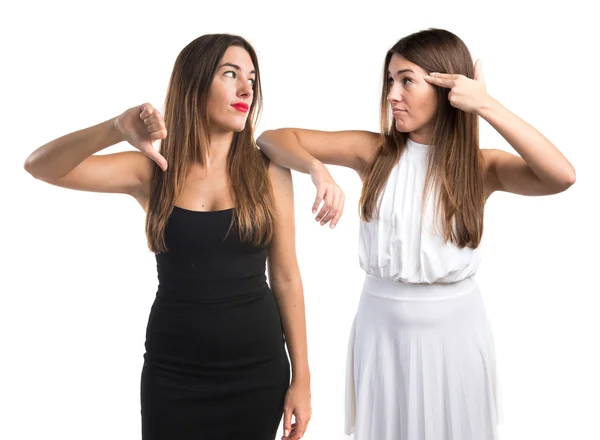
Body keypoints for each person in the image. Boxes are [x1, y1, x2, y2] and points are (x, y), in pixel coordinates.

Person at [257, 28, 575, 440]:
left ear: (447, 88)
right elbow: (272, 138)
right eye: (390, 80)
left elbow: (561, 176)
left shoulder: (480, 167)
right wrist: (317, 168)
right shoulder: (373, 153)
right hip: (381, 334)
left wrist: (487, 106)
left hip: (455, 338)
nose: (392, 94)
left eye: (407, 80)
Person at [24, 33, 311, 440]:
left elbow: (285, 276)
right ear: (194, 83)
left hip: (257, 373)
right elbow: (40, 166)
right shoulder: (154, 169)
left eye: (251, 77)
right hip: (173, 373)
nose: (247, 88)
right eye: (231, 74)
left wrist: (302, 377)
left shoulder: (269, 171)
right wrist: (115, 128)